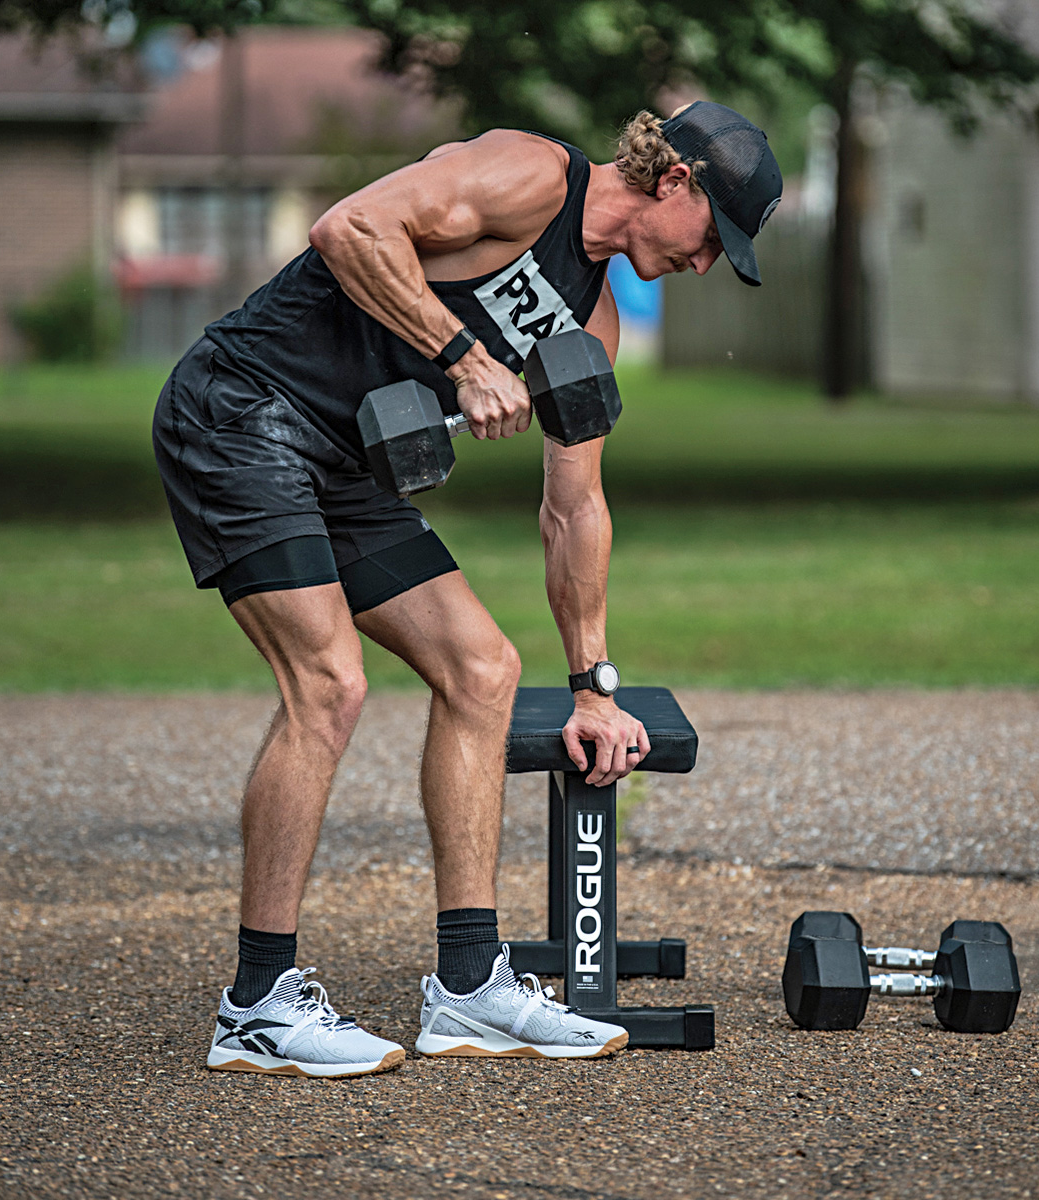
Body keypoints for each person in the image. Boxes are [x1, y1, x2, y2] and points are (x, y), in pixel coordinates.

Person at [152, 100, 781, 1077]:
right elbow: (349, 227)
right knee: (329, 685)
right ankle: (258, 1005)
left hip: (342, 463)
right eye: (713, 240)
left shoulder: (592, 321)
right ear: (676, 182)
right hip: (244, 411)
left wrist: (592, 686)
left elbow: (575, 509)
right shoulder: (530, 176)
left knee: (484, 670)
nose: (706, 268)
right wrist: (465, 357)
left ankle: (470, 988)